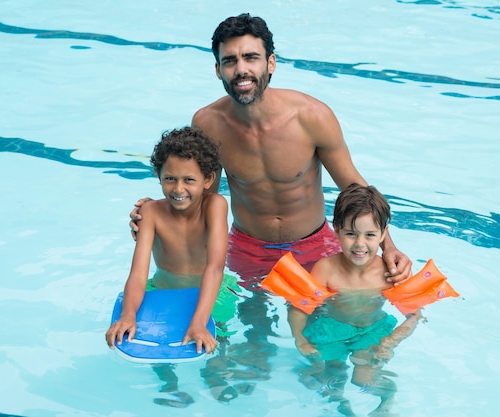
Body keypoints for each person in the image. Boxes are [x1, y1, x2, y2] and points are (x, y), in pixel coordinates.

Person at [130, 13, 411, 286]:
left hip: (315, 246)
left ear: (271, 63)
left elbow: (354, 188)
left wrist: (389, 248)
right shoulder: (208, 124)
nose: (241, 70)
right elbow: (202, 202)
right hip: (246, 248)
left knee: (325, 328)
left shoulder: (312, 117)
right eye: (230, 61)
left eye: (251, 57)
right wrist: (156, 217)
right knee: (251, 330)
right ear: (218, 70)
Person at [287, 183, 424, 416]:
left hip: (372, 331)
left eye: (370, 235)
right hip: (333, 329)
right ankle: (341, 406)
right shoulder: (326, 269)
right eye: (351, 234)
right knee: (327, 376)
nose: (360, 244)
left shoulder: (389, 272)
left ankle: (387, 398)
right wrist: (300, 339)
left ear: (383, 234)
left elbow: (414, 315)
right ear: (336, 230)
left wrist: (391, 341)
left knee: (364, 380)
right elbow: (300, 307)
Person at [106, 126, 228, 355]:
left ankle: (216, 383)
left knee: (219, 347)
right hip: (162, 290)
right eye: (170, 178)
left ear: (208, 179)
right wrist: (128, 315)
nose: (178, 189)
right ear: (158, 175)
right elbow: (139, 273)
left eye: (189, 180)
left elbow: (215, 267)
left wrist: (200, 321)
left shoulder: (215, 206)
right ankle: (171, 389)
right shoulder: (151, 212)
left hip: (212, 292)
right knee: (156, 351)